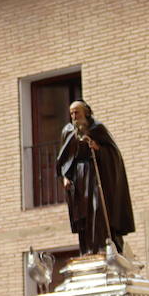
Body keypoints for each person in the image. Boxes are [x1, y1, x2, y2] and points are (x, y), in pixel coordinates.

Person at [57, 99, 134, 255]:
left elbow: (114, 154)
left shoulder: (97, 128)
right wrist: (65, 177)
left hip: (97, 176)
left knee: (98, 208)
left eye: (76, 112)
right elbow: (64, 159)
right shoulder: (68, 131)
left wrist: (98, 148)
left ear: (85, 112)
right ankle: (87, 249)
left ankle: (103, 246)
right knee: (83, 214)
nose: (73, 116)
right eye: (71, 113)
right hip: (79, 177)